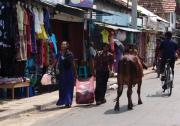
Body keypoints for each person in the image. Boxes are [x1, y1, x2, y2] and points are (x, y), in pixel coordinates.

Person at [53, 41, 77, 108]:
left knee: (69, 88)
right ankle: (63, 101)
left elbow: (73, 63)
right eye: (62, 44)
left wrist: (76, 73)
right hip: (62, 73)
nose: (63, 46)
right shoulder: (59, 54)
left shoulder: (70, 54)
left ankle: (68, 102)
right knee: (62, 88)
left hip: (69, 73)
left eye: (64, 44)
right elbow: (55, 62)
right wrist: (50, 69)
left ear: (67, 46)